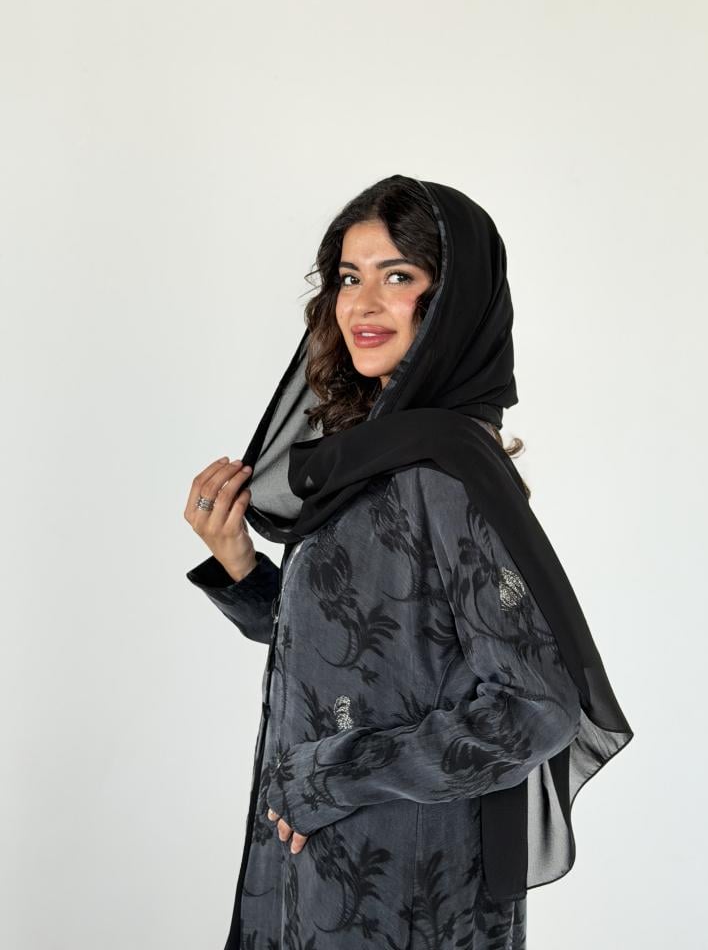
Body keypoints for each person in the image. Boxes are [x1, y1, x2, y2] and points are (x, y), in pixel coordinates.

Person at [184, 175, 633, 949]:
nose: (362, 304)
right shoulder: (373, 456)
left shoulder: (443, 469)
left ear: (452, 300)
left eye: (397, 277)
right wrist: (240, 568)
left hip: (406, 883)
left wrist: (330, 775)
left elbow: (536, 707)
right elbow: (360, 650)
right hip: (322, 858)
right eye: (348, 278)